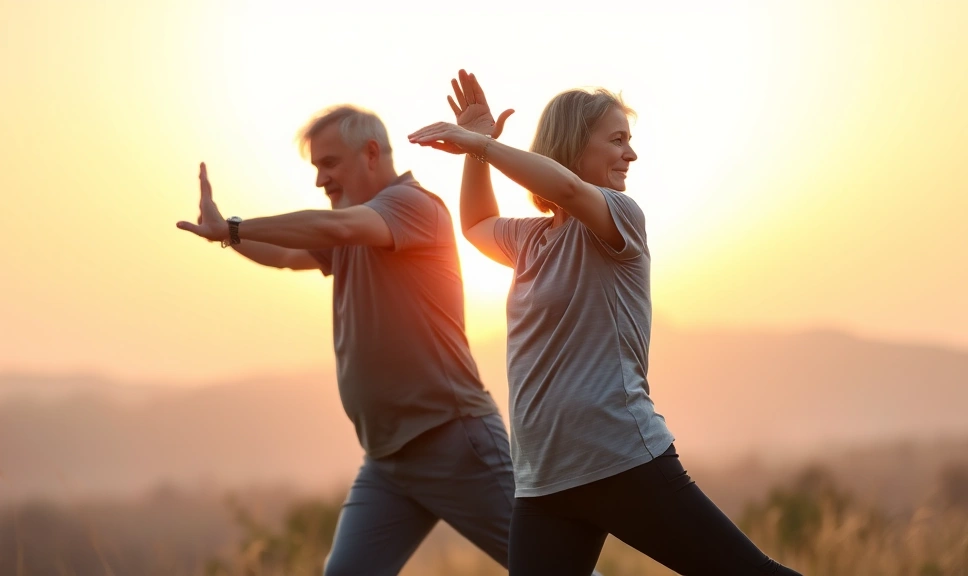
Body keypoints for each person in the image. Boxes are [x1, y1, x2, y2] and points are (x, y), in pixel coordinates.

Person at [409, 70, 803, 576]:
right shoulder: (531, 241)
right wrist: (476, 152)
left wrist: (482, 145)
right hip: (544, 481)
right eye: (617, 141)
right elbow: (476, 225)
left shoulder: (620, 219)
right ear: (573, 145)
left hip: (620, 460)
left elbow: (571, 191)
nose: (630, 155)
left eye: (628, 142)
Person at [177, 105, 518, 576]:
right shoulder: (356, 226)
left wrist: (234, 226)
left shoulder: (414, 206)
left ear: (371, 153)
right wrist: (227, 237)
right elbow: (287, 253)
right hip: (386, 460)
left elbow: (332, 227)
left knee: (550, 567)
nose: (321, 180)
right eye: (317, 167)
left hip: (455, 443)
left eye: (329, 164)